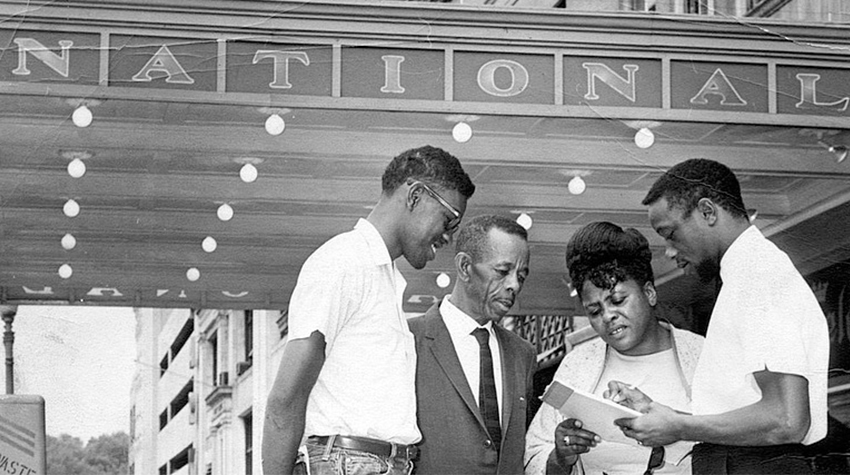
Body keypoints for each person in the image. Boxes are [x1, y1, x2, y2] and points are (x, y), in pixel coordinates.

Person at [261, 145, 476, 475]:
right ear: (415, 195)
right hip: (348, 464)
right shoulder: (343, 263)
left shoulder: (382, 276)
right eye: (449, 220)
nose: (448, 236)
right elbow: (285, 402)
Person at [610, 158, 829, 474]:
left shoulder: (758, 274)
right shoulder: (746, 273)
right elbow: (746, 409)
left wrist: (681, 427)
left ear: (708, 211)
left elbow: (786, 419)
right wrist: (660, 414)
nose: (669, 252)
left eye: (670, 233)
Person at [525, 222, 703, 475]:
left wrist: (677, 426)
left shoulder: (701, 356)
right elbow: (533, 457)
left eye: (618, 300)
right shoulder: (578, 365)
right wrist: (560, 457)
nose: (608, 316)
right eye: (594, 311)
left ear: (650, 293)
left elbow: (738, 440)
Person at [408, 214, 537, 475]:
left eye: (521, 276)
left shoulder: (523, 354)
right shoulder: (408, 339)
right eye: (502, 272)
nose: (514, 285)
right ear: (465, 267)